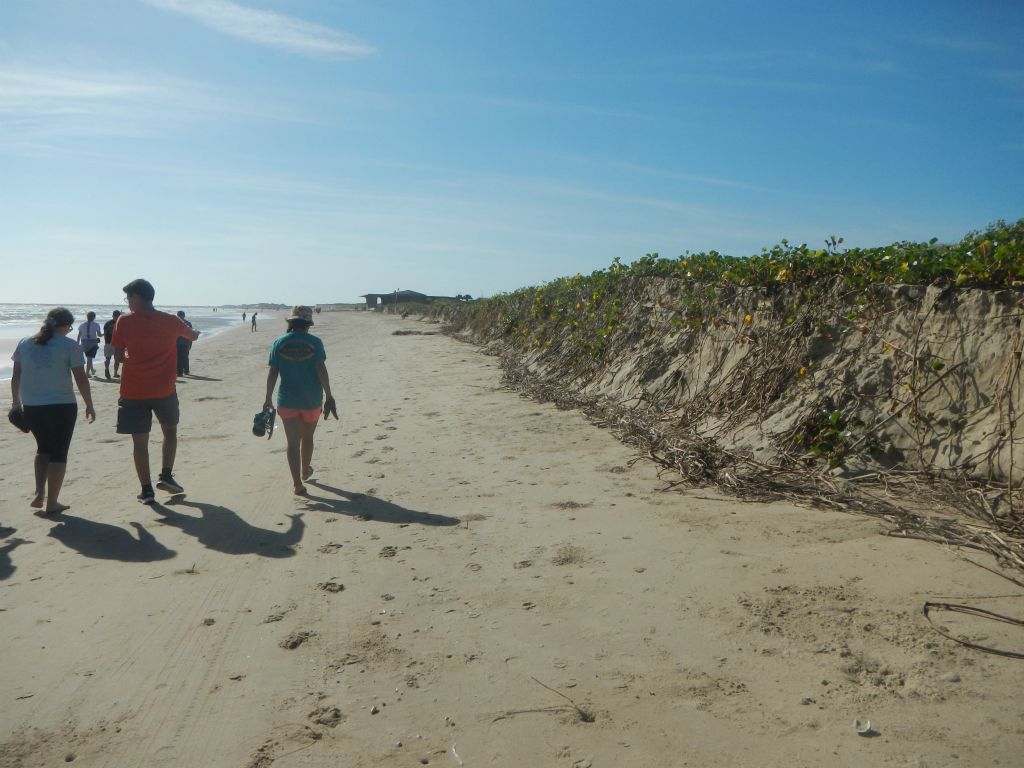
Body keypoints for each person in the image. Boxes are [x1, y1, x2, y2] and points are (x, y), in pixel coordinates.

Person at [112, 279, 199, 504]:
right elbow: (192, 335)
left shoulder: (124, 321)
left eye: (129, 297)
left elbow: (119, 356)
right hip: (164, 389)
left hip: (133, 390)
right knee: (169, 432)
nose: (128, 302)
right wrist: (192, 333)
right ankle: (166, 475)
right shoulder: (171, 320)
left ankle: (147, 489)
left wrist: (134, 358)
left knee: (139, 442)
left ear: (139, 297)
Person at [10, 307, 96, 513]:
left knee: (42, 449)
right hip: (62, 406)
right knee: (59, 452)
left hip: (32, 406)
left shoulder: (25, 342)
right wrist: (89, 405)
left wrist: (16, 403)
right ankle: (52, 502)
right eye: (70, 327)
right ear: (65, 326)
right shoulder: (69, 345)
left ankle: (40, 493)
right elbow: (81, 379)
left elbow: (16, 377)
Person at [262, 306, 337, 495]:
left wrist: (267, 398)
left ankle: (297, 484)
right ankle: (305, 469)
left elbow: (273, 372)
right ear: (308, 324)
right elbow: (321, 369)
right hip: (311, 400)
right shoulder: (315, 342)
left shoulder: (279, 342)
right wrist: (329, 395)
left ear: (291, 322)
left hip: (287, 400)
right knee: (308, 437)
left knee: (293, 442)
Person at [76, 310, 102, 377]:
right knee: (89, 358)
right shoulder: (96, 324)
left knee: (89, 357)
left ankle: (92, 370)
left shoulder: (82, 325)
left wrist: (77, 343)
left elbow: (79, 335)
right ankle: (87, 373)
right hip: (92, 342)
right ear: (94, 317)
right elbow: (99, 335)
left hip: (84, 342)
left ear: (87, 317)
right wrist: (104, 334)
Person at [102, 310, 122, 379]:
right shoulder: (120, 323)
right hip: (117, 343)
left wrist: (106, 341)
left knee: (108, 358)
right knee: (116, 359)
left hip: (108, 342)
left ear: (112, 315)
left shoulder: (107, 323)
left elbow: (105, 333)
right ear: (119, 316)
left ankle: (107, 369)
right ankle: (115, 373)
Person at [175, 310, 195, 376]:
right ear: (184, 315)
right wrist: (190, 344)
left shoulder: (176, 323)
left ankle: (180, 372)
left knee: (179, 358)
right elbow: (191, 335)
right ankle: (186, 371)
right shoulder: (188, 323)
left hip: (178, 343)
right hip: (185, 343)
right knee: (185, 357)